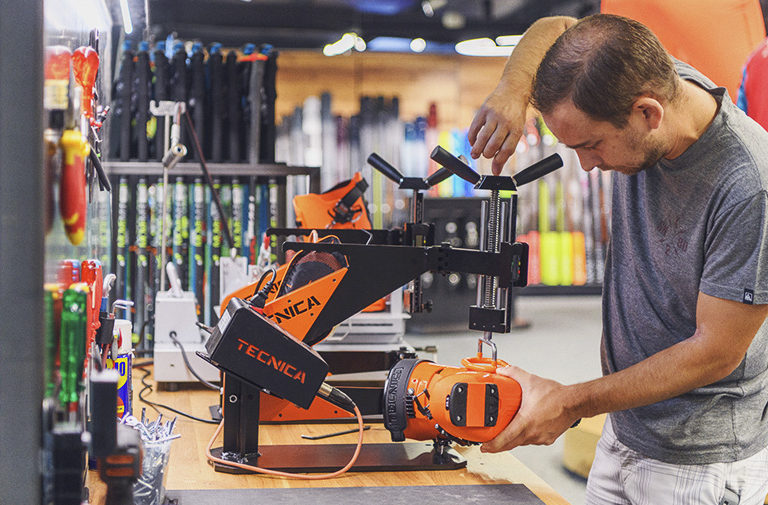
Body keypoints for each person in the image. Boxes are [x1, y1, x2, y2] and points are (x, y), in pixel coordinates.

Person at [469, 14, 768, 504]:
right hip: (625, 431)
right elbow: (558, 28)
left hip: (699, 463)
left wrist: (570, 402)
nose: (587, 165)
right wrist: (511, 91)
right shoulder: (648, 77)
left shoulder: (748, 186)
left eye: (590, 145)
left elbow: (716, 352)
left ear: (648, 113)